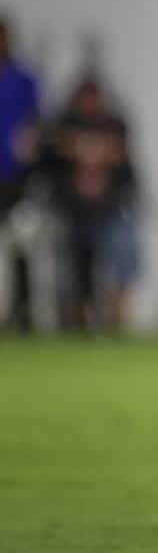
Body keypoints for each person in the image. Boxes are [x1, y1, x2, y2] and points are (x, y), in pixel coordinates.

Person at [50, 75, 141, 332]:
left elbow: (126, 169)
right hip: (74, 211)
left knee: (122, 252)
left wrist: (89, 150)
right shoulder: (64, 123)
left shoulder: (115, 124)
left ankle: (116, 317)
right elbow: (52, 158)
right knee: (72, 265)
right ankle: (77, 319)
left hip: (111, 209)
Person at [0, 17, 41, 328]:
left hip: (16, 179)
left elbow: (36, 123)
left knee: (21, 245)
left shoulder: (24, 79)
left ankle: (22, 312)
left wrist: (29, 146)